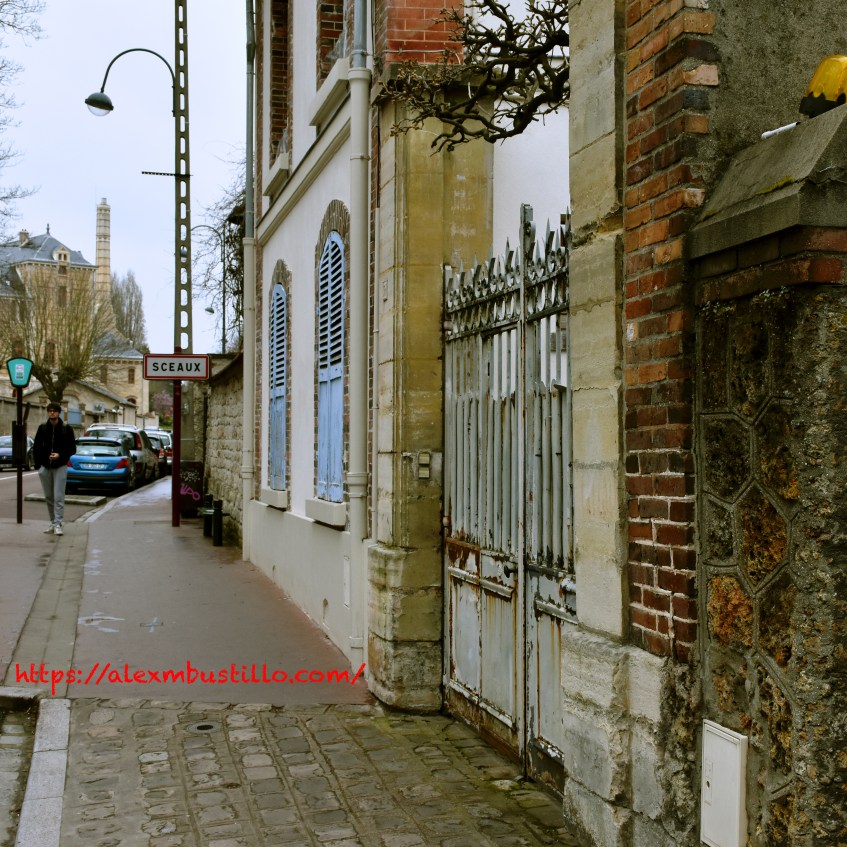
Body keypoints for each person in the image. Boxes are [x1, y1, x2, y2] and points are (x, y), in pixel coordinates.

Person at [33, 402, 76, 536]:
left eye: (54, 411)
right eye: (50, 411)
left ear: (59, 413)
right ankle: (52, 522)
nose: (52, 413)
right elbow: (37, 447)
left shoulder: (66, 428)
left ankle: (58, 524)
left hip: (60, 466)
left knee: (58, 496)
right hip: (45, 467)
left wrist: (60, 455)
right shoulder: (43, 428)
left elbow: (72, 448)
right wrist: (39, 465)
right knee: (48, 496)